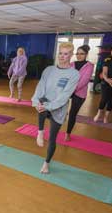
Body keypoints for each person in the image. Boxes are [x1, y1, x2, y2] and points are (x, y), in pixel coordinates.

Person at [31, 42, 79, 174]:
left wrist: (48, 107)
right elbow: (40, 87)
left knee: (52, 138)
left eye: (66, 54)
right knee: (41, 100)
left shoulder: (74, 74)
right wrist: (35, 102)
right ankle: (40, 132)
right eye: (60, 53)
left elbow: (64, 96)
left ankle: (46, 163)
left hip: (59, 109)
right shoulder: (49, 70)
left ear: (71, 55)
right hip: (45, 103)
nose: (62, 56)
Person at [65, 45, 94, 141]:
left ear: (86, 54)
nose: (79, 55)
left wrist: (71, 90)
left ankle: (68, 133)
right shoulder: (72, 64)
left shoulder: (89, 66)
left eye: (82, 54)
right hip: (68, 91)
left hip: (79, 93)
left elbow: (84, 81)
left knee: (72, 113)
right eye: (77, 53)